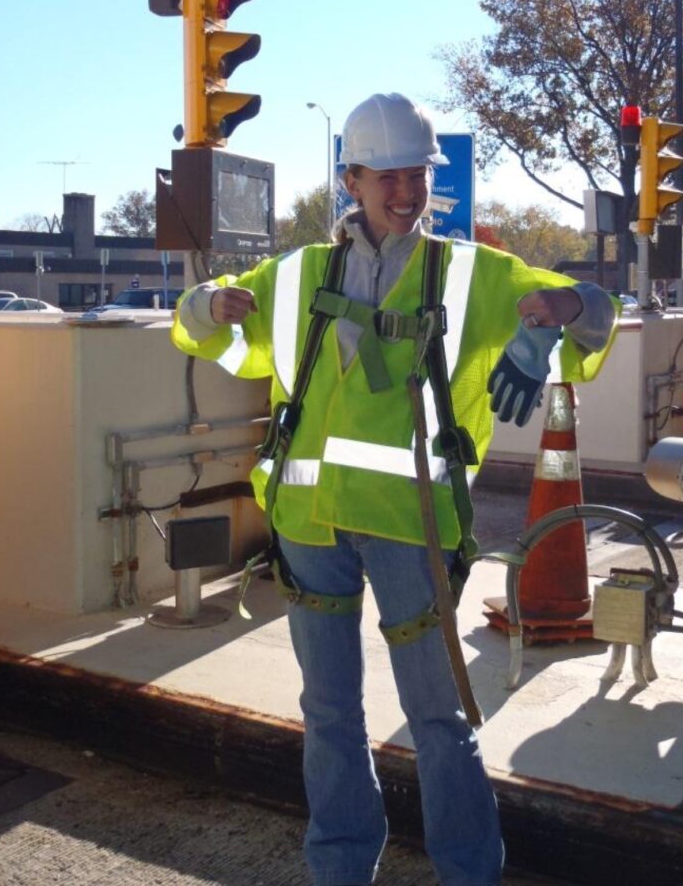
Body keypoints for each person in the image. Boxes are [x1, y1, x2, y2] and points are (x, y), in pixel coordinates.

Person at [172, 92, 618, 886]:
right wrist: (207, 303)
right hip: (310, 527)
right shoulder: (300, 274)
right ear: (352, 180)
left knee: (441, 721)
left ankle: (469, 872)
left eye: (416, 175)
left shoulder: (471, 273)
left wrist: (564, 305)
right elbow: (206, 333)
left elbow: (598, 314)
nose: (405, 192)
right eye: (388, 176)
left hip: (415, 526)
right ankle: (340, 869)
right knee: (329, 717)